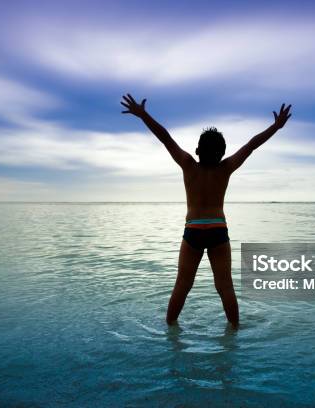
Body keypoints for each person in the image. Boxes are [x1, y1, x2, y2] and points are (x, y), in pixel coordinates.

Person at [121, 93, 292, 329]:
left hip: (193, 230)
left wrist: (143, 115)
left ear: (198, 150)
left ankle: (171, 329)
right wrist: (276, 127)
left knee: (182, 285)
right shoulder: (226, 168)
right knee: (225, 287)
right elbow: (251, 145)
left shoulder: (188, 164)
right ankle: (234, 331)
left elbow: (165, 138)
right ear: (222, 153)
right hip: (218, 231)